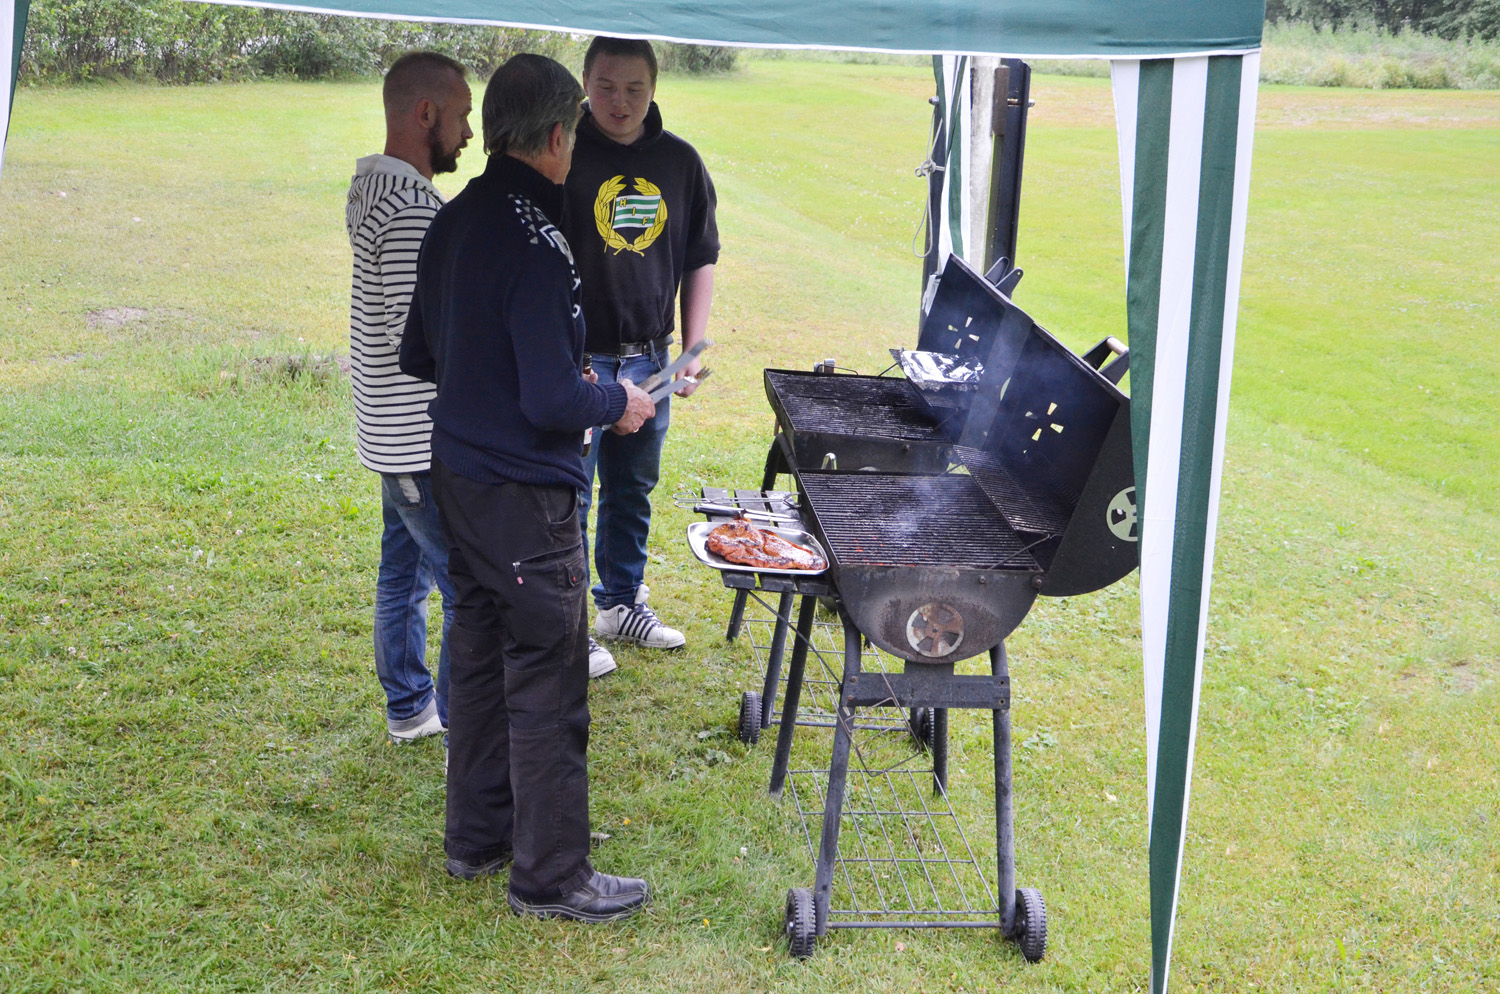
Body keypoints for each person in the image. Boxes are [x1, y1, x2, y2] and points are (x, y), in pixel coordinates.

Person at [399, 53, 657, 923]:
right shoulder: (539, 244)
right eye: (574, 135)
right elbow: (553, 399)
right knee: (547, 676)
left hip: (457, 481)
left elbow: (418, 356)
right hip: (523, 498)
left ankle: (475, 837)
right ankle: (552, 878)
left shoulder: (455, 220)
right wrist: (615, 400)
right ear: (556, 135)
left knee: (474, 657)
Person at [561, 37, 720, 663]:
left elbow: (699, 256)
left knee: (633, 486)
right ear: (584, 83)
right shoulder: (563, 153)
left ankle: (620, 602)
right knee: (570, 490)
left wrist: (693, 346)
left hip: (652, 358)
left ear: (654, 88)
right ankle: (569, 620)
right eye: (605, 86)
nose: (618, 102)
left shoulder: (680, 162)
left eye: (633, 88)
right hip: (581, 359)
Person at [345, 51, 473, 744]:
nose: (468, 136)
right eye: (462, 118)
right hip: (416, 439)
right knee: (461, 584)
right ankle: (460, 730)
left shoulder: (374, 188)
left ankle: (407, 707)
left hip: (386, 429)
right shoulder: (414, 215)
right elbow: (421, 336)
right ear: (425, 114)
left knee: (400, 570)